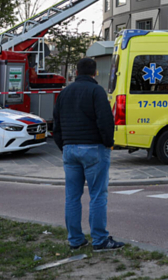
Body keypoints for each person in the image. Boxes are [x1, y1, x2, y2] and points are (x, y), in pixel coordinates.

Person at [53, 57, 124, 253]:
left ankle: (75, 240)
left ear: (76, 72)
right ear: (95, 73)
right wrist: (108, 143)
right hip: (94, 148)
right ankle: (100, 240)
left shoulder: (64, 93)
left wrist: (63, 145)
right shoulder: (96, 91)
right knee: (98, 195)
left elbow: (56, 124)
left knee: (72, 197)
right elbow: (105, 120)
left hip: (70, 149)